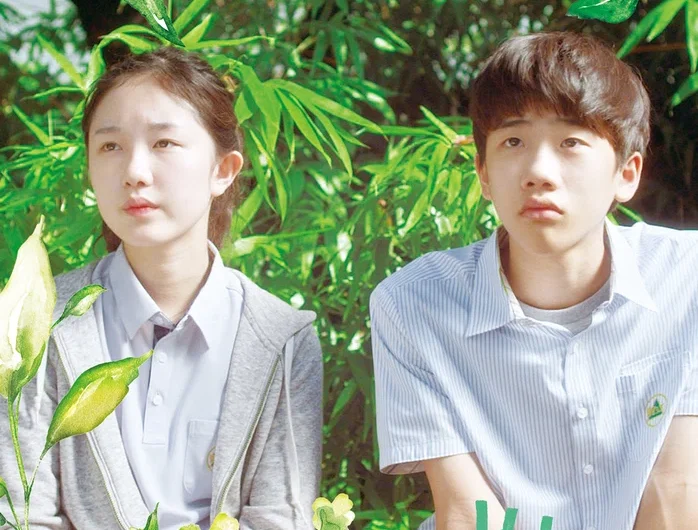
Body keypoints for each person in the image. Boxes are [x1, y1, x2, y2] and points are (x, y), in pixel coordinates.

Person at [370, 31, 698, 530]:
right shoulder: (413, 304)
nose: (539, 172)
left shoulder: (687, 279)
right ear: (483, 172)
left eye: (571, 142)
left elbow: (675, 496)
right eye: (513, 141)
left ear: (627, 174)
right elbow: (469, 513)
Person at [0, 47, 322, 530]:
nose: (135, 172)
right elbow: (20, 516)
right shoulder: (35, 325)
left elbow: (281, 519)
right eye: (110, 146)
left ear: (223, 170)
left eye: (164, 142)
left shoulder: (282, 339)